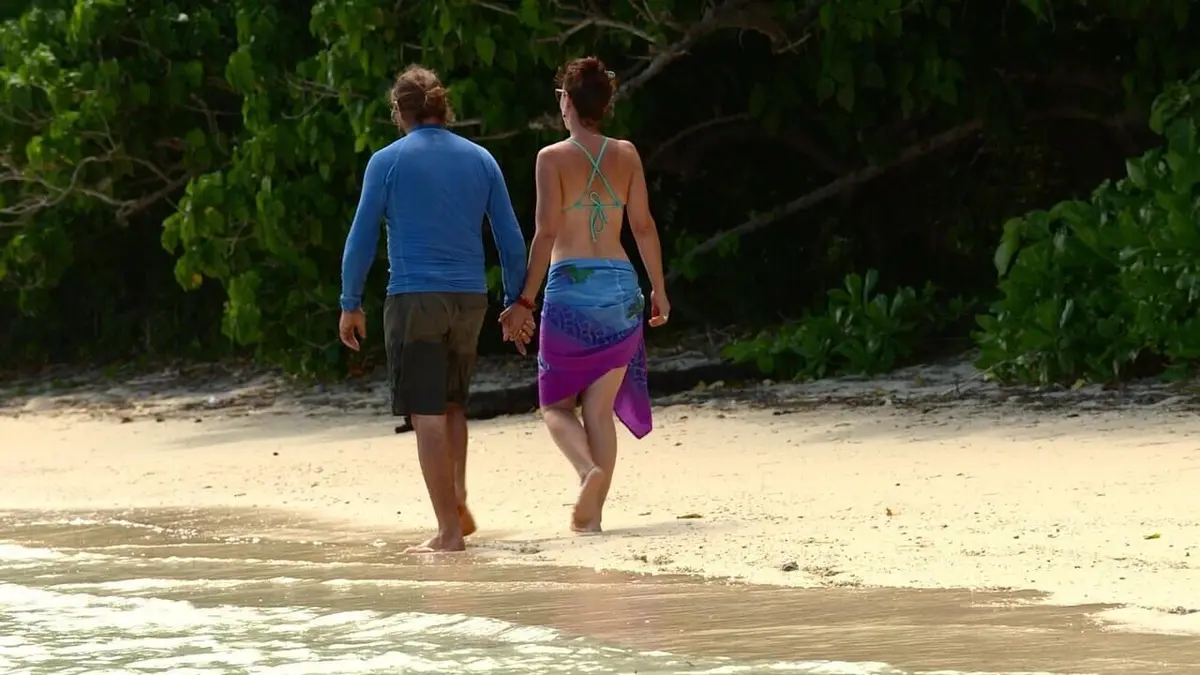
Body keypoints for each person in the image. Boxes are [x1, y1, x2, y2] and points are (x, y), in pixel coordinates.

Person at [339, 65, 534, 554]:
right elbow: (511, 238)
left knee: (425, 413)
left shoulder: (387, 162)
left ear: (399, 112)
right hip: (470, 299)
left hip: (415, 298)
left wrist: (350, 302)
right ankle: (458, 499)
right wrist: (517, 301)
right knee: (452, 405)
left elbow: (361, 238)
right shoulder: (481, 159)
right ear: (443, 108)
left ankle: (448, 532)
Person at [499, 56, 670, 533]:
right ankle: (591, 520)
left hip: (571, 288)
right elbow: (642, 227)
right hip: (621, 287)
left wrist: (524, 301)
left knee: (556, 405)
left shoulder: (551, 158)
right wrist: (659, 289)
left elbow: (546, 233)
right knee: (598, 409)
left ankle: (586, 472)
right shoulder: (627, 154)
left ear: (567, 102)